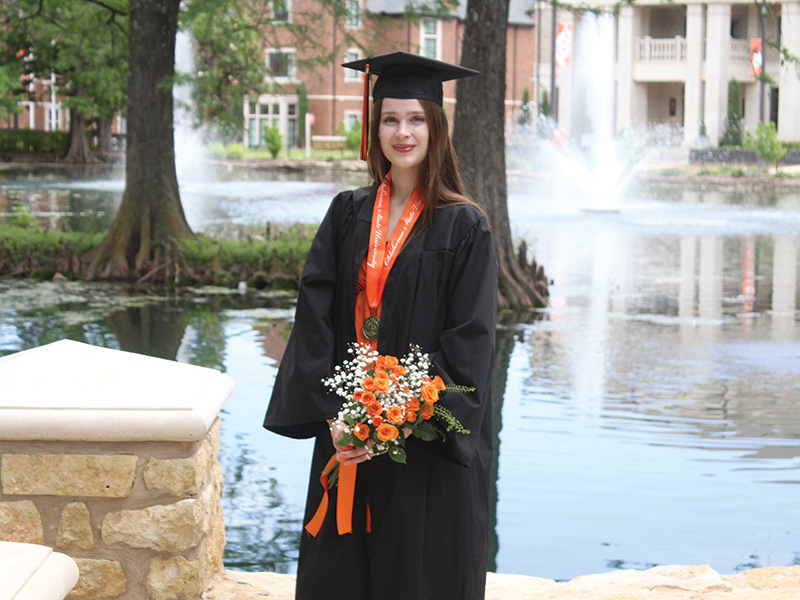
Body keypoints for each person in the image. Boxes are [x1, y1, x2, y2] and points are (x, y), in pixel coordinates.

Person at [263, 51, 498, 600]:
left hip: (421, 445)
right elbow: (314, 318)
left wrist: (380, 416)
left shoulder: (466, 227)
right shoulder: (347, 212)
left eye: (416, 118)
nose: (403, 132)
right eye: (390, 119)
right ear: (375, 128)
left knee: (415, 574)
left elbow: (469, 345)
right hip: (345, 435)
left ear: (436, 126)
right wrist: (338, 416)